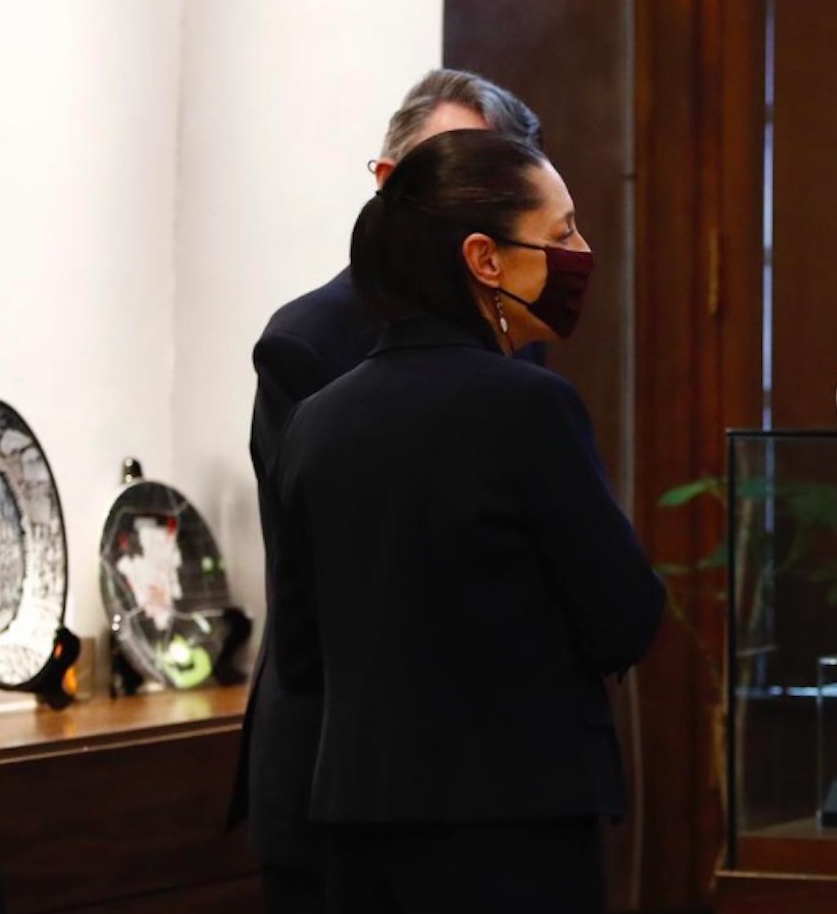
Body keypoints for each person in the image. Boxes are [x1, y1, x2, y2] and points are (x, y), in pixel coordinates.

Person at [269, 128, 665, 912]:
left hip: (359, 831)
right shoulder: (529, 406)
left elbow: (301, 652)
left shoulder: (314, 422)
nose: (581, 252)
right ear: (485, 259)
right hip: (511, 832)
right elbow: (626, 617)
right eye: (562, 234)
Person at [234, 69, 547, 912]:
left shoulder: (518, 341)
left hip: (490, 795)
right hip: (343, 778)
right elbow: (315, 602)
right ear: (384, 185)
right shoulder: (307, 343)